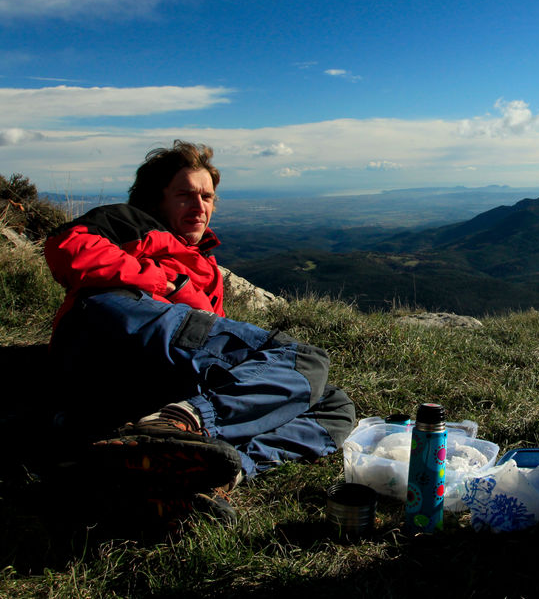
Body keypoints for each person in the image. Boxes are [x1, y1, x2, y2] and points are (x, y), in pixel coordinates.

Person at [45, 140, 355, 523]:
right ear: (157, 199)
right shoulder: (130, 220)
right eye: (185, 195)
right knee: (304, 360)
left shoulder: (206, 266)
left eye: (207, 196)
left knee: (331, 404)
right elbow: (67, 249)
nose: (200, 206)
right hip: (115, 324)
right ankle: (177, 426)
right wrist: (170, 285)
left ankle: (205, 473)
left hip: (150, 376)